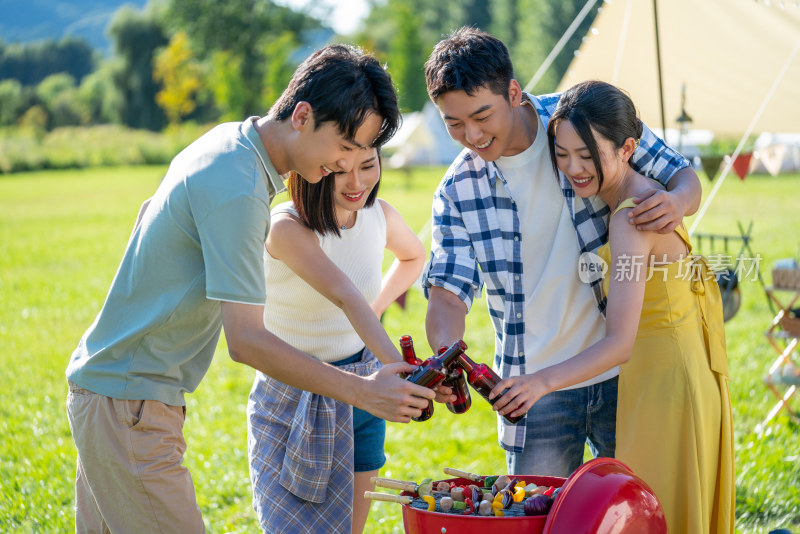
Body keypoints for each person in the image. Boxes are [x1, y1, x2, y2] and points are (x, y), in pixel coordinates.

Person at [64, 44, 435, 533]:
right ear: (302, 115)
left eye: (363, 153)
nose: (347, 164)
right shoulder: (239, 185)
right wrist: (363, 392)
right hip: (130, 407)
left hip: (118, 397)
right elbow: (247, 341)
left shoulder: (228, 145)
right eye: (343, 147)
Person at [421, 27, 702, 478]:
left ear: (513, 92)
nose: (471, 135)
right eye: (454, 123)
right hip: (534, 389)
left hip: (623, 373)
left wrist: (677, 203)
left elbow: (680, 174)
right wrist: (446, 356)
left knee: (634, 514)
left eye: (481, 115)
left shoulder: (579, 119)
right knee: (540, 518)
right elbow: (449, 291)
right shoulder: (456, 190)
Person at [491, 80, 734, 533]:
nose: (573, 168)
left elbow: (620, 342)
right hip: (682, 372)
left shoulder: (629, 219)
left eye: (587, 155)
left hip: (664, 383)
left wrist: (540, 381)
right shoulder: (645, 194)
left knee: (656, 513)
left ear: (627, 149)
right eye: (562, 154)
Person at [247, 146, 426, 533]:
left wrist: (375, 310)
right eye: (341, 170)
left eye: (368, 165)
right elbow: (345, 296)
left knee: (349, 529)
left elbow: (414, 256)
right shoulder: (286, 226)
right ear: (318, 167)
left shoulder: (379, 216)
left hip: (364, 381)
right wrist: (405, 372)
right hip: (293, 391)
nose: (357, 182)